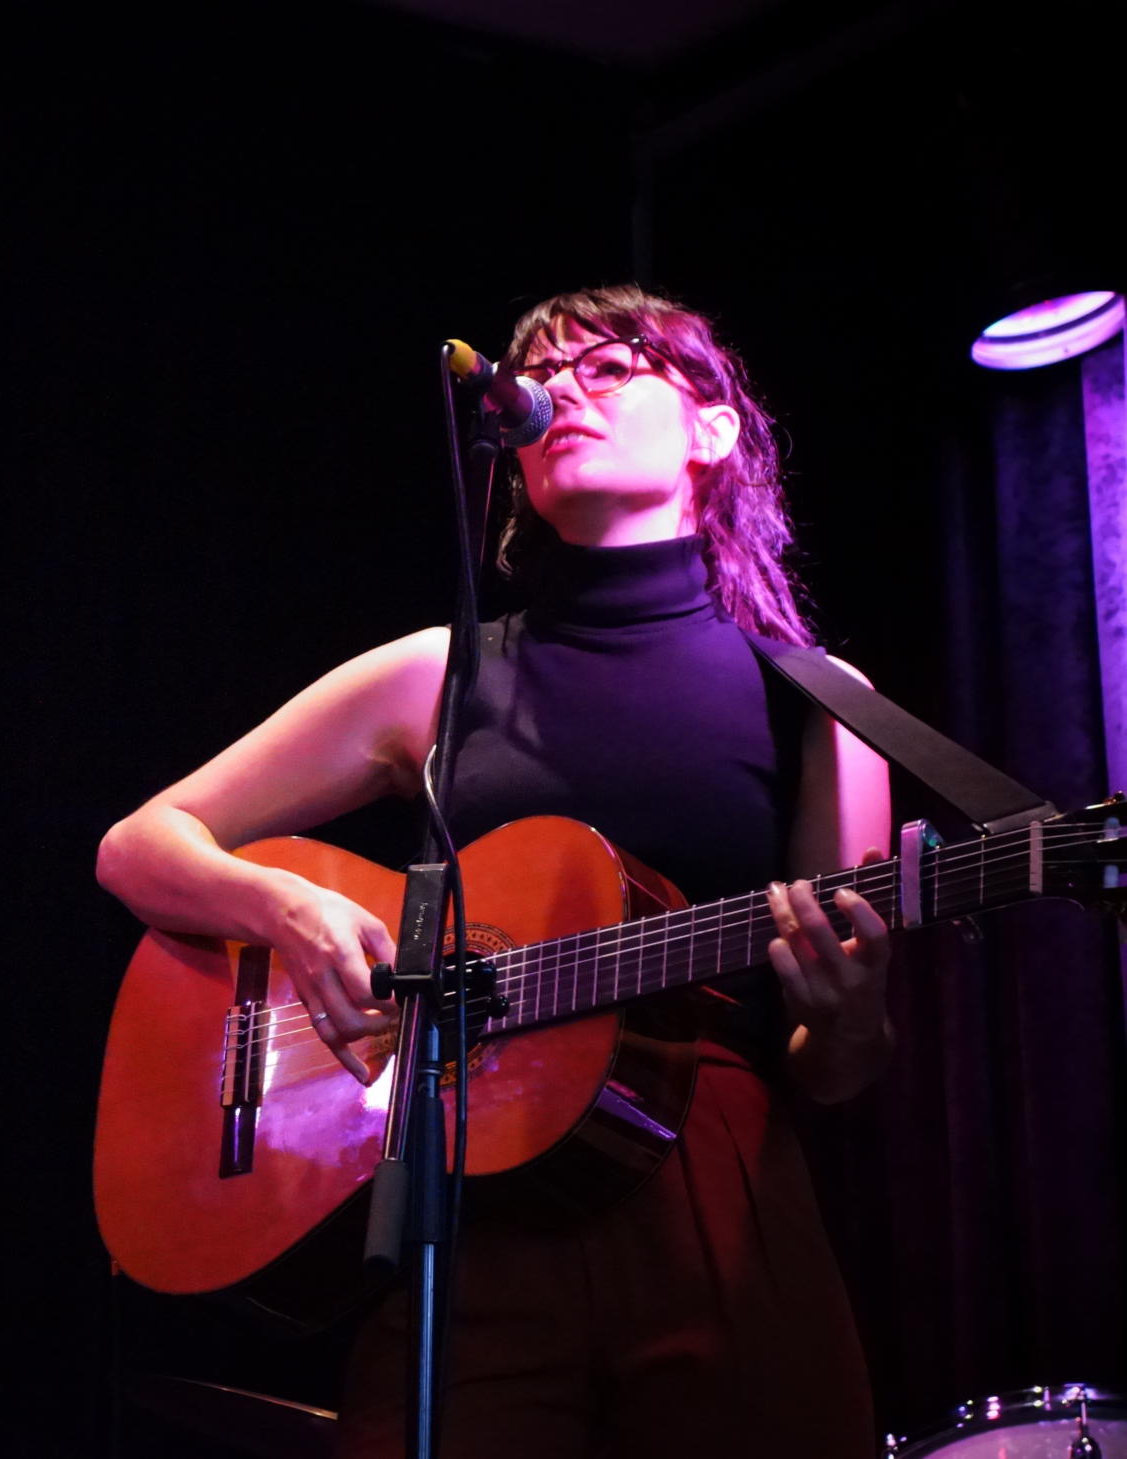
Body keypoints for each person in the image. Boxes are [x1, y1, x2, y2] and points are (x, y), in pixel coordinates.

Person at [96, 286, 893, 1458]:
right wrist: (292, 907)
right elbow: (140, 845)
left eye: (608, 367)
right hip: (470, 1210)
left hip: (713, 1194)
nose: (562, 390)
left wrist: (852, 1016)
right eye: (541, 375)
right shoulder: (435, 674)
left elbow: (835, 1071)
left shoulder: (822, 700)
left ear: (713, 429)